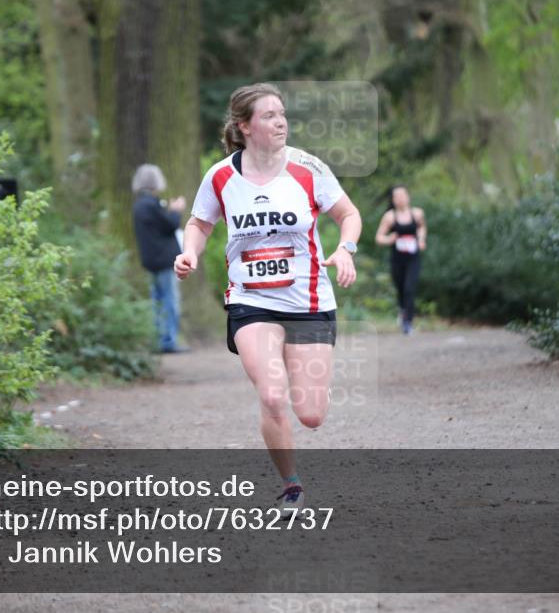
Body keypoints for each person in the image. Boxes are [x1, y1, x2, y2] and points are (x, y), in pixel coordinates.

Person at [174, 83, 361, 513]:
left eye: (282, 114)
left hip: (309, 302)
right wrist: (189, 253)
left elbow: (348, 214)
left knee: (311, 414)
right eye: (269, 115)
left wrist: (345, 249)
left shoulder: (308, 168)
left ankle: (306, 386)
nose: (281, 122)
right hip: (250, 301)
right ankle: (291, 486)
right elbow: (199, 224)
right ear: (245, 126)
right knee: (273, 395)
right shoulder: (220, 176)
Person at [132, 163, 190, 354]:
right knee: (170, 301)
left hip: (150, 261)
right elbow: (170, 225)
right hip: (165, 260)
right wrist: (176, 211)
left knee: (157, 302)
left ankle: (158, 339)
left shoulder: (139, 205)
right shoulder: (151, 204)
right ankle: (168, 341)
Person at [374, 185, 426, 335]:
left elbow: (422, 228)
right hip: (397, 259)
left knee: (410, 288)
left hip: (413, 258)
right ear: (393, 200)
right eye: (397, 196)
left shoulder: (417, 213)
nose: (400, 198)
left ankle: (407, 322)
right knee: (401, 289)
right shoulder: (390, 217)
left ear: (408, 196)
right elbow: (379, 237)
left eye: (403, 195)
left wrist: (421, 239)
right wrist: (389, 239)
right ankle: (403, 310)